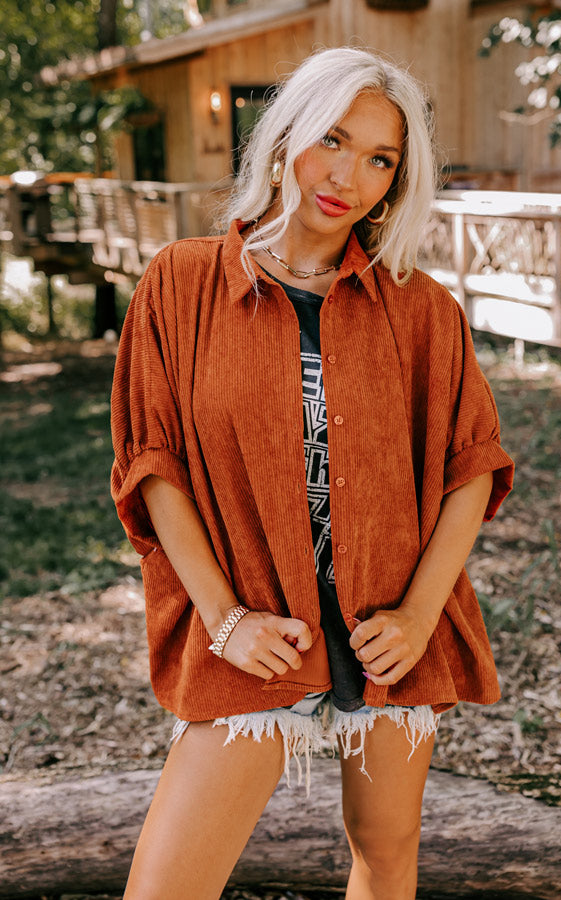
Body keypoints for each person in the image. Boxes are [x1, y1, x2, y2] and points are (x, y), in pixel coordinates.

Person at [111, 46, 514, 900]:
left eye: (381, 160)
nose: (350, 176)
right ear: (288, 131)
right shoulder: (182, 284)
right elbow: (155, 466)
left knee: (385, 854)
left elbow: (471, 466)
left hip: (385, 638)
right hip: (259, 638)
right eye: (333, 139)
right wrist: (225, 624)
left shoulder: (421, 310)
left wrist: (415, 615)